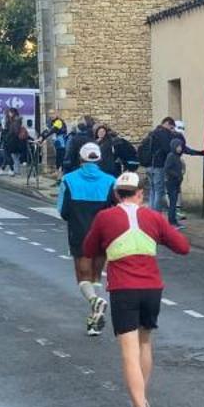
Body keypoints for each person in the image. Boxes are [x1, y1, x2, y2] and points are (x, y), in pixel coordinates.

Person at [80, 170, 190, 407]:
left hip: (123, 288)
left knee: (128, 351)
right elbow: (183, 247)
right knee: (144, 343)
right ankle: (138, 401)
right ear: (140, 194)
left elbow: (88, 248)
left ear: (117, 194)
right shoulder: (153, 216)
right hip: (152, 288)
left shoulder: (106, 217)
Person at [59, 141, 121, 334]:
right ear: (99, 159)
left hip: (79, 232)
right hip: (102, 233)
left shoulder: (68, 180)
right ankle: (94, 323)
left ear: (80, 159)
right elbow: (116, 207)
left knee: (82, 276)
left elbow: (62, 210)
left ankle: (95, 302)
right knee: (96, 275)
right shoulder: (110, 180)